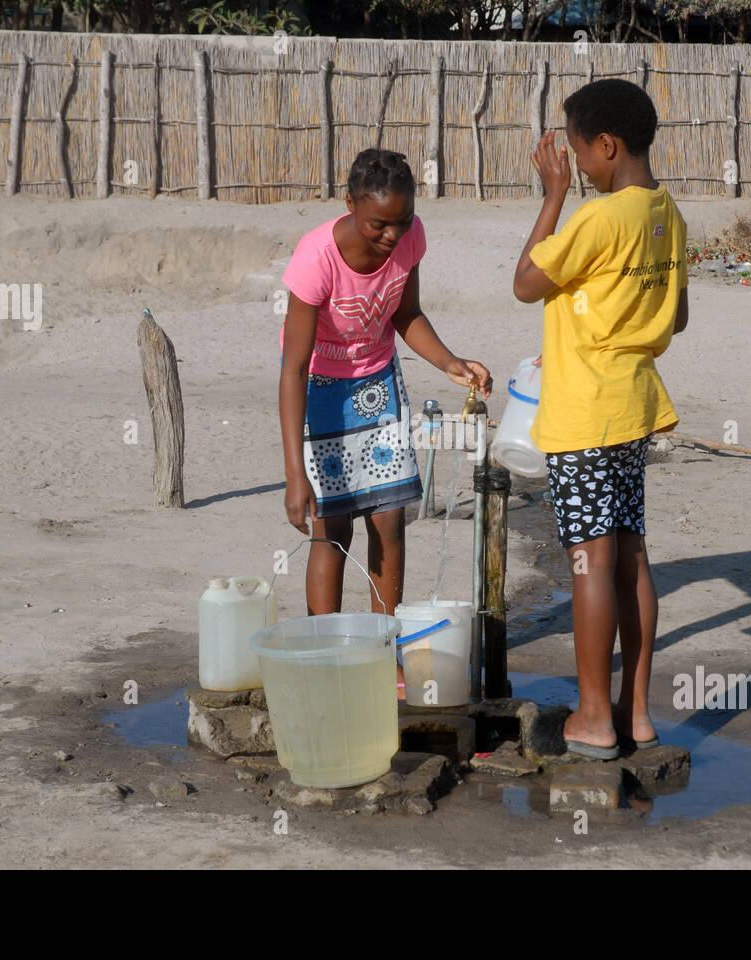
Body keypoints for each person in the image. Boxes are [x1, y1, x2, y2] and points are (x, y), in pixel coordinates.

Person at [512, 79, 689, 757]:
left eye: (580, 155)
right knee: (629, 558)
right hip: (634, 406)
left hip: (585, 413)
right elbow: (675, 314)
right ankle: (634, 713)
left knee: (588, 561)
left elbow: (527, 282)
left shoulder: (594, 217)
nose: (578, 166)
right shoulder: (666, 213)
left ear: (607, 146)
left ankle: (590, 718)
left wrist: (553, 197)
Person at [279, 148, 492, 699]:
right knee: (332, 532)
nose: (392, 237)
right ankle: (323, 657)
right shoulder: (315, 258)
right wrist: (294, 474)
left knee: (389, 521)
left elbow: (405, 314)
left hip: (376, 385)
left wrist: (450, 362)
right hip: (320, 390)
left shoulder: (410, 238)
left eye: (401, 223)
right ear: (349, 204)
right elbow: (293, 367)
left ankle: (383, 654)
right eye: (379, 224)